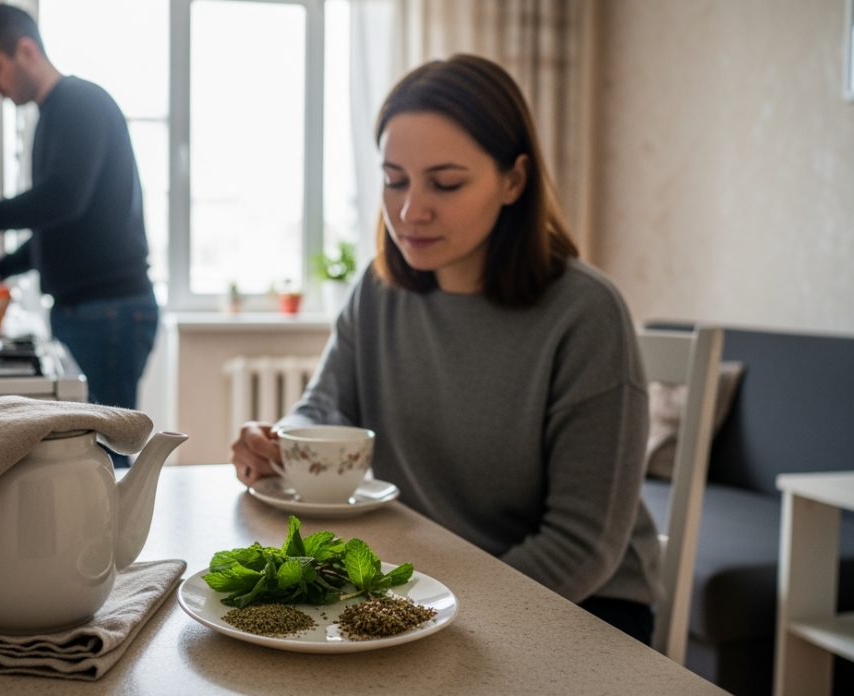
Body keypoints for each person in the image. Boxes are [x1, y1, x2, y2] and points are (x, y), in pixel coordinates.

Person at [230, 55, 661, 644]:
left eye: (446, 183)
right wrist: (281, 443)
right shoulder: (378, 291)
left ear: (514, 181)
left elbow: (582, 546)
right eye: (395, 180)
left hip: (583, 605)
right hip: (437, 586)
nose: (411, 211)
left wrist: (431, 611)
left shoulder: (585, 313)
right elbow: (324, 409)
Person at [0, 4, 158, 428]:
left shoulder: (79, 103)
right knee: (96, 446)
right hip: (93, 310)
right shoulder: (56, 113)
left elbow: (61, 200)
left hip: (108, 311)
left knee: (106, 448)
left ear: (26, 51)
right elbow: (62, 223)